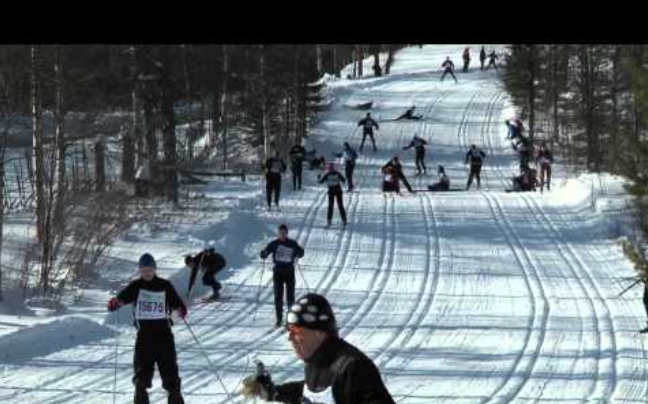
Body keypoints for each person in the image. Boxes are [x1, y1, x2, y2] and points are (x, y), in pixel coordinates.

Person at [241, 293, 396, 404]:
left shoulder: (353, 367)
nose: (290, 339)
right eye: (289, 331)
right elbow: (310, 391)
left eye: (297, 331)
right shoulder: (317, 363)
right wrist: (273, 392)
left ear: (320, 332)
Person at [107, 253, 187, 404]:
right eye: (143, 270)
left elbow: (177, 303)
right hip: (144, 336)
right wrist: (114, 303)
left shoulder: (164, 285)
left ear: (154, 269)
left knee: (170, 372)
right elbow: (121, 299)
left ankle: (175, 400)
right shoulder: (136, 286)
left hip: (164, 335)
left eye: (149, 269)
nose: (147, 273)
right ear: (140, 271)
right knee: (141, 374)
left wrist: (181, 310)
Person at [260, 224, 305, 328]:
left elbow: (301, 252)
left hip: (289, 272)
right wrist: (263, 253)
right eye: (281, 233)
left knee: (290, 297)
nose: (282, 235)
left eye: (284, 233)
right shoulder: (274, 244)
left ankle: (290, 320)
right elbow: (266, 252)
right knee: (278, 297)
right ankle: (279, 319)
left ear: (287, 233)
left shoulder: (292, 243)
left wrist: (300, 253)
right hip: (278, 273)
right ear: (278, 233)